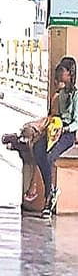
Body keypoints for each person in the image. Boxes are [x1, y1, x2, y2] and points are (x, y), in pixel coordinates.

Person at [33, 57, 78, 218]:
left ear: (70, 74)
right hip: (56, 129)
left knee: (49, 156)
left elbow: (76, 122)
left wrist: (63, 129)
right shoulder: (60, 94)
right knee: (37, 148)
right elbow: (55, 115)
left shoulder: (76, 96)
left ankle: (48, 198)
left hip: (68, 133)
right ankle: (51, 189)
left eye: (63, 71)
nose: (60, 74)